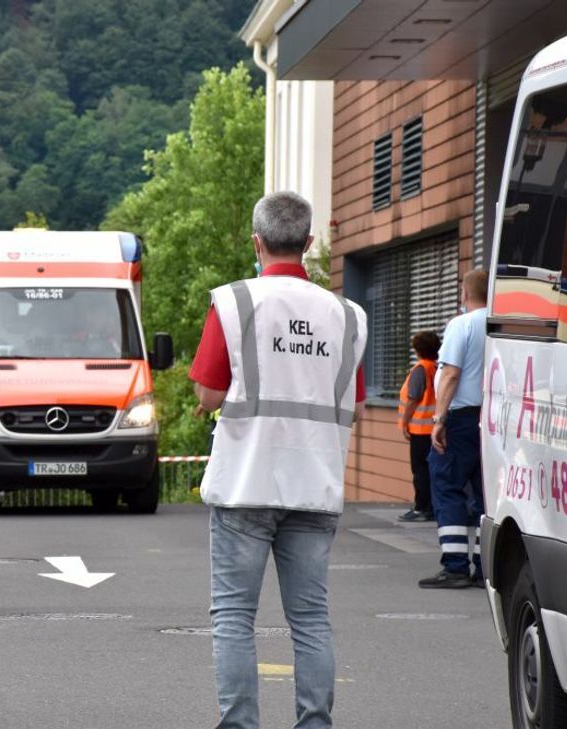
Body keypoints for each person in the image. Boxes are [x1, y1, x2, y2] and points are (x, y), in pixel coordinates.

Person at [189, 191, 367, 729]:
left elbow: (207, 396)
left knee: (234, 619)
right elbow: (355, 403)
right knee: (310, 619)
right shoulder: (348, 315)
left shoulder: (235, 302)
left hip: (246, 482)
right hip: (315, 486)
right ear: (309, 243)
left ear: (256, 242)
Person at [418, 269, 489, 589]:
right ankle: (483, 564)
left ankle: (456, 565)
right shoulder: (504, 322)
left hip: (460, 419)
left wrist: (438, 419)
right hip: (491, 417)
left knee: (446, 484)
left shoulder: (462, 325)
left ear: (464, 293)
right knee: (484, 492)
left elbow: (450, 375)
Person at [397, 331, 440, 522]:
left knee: (420, 470)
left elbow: (413, 398)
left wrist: (405, 422)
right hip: (436, 428)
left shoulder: (420, 369)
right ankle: (431, 507)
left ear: (417, 350)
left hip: (420, 430)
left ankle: (421, 508)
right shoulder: (438, 368)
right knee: (432, 470)